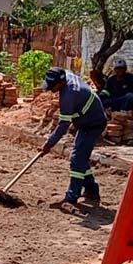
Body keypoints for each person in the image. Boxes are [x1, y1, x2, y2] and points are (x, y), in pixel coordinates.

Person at [39, 67, 108, 208]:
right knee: (80, 157)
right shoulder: (65, 76)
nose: (51, 89)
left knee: (77, 159)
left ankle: (71, 198)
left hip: (93, 123)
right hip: (86, 121)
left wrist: (48, 144)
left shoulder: (69, 95)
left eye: (53, 86)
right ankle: (92, 191)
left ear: (61, 82)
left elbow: (63, 126)